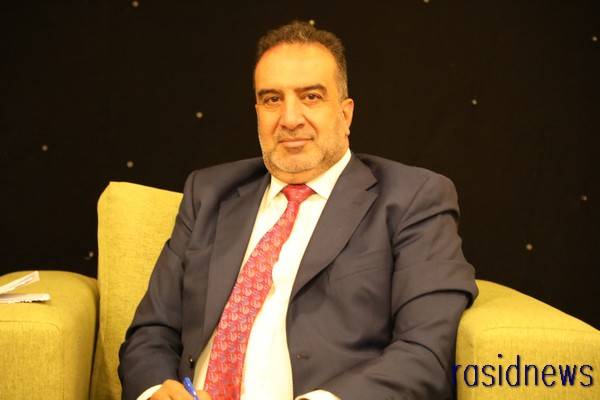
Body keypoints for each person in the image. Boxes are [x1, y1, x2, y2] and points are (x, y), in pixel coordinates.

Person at [118, 21, 478, 400]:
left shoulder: (413, 198)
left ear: (346, 114)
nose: (290, 119)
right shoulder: (208, 193)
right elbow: (152, 331)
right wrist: (155, 391)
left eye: (311, 96)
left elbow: (425, 352)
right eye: (272, 99)